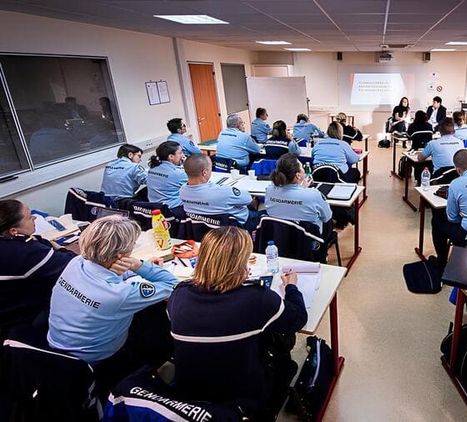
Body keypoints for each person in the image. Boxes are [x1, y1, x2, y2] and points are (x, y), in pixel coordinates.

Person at [168, 227, 307, 417]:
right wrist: (291, 287)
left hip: (189, 392)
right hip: (243, 395)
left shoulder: (178, 295)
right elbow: (298, 318)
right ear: (240, 262)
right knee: (282, 337)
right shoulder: (258, 299)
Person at [47, 216, 178, 391]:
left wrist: (127, 272)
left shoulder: (76, 263)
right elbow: (172, 284)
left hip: (57, 346)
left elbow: (107, 279)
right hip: (96, 360)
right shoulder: (119, 295)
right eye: (133, 244)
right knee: (156, 315)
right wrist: (139, 266)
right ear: (120, 255)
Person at [0, 200, 76, 335]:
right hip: (19, 322)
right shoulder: (25, 252)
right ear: (13, 231)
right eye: (29, 217)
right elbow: (73, 264)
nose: (34, 217)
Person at [179, 154, 263, 230]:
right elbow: (248, 199)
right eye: (210, 168)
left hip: (203, 229)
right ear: (204, 172)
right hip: (236, 227)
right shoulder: (223, 192)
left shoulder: (182, 191)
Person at [266, 153, 333, 236]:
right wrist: (304, 191)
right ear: (298, 175)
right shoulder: (313, 194)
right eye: (302, 167)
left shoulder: (270, 190)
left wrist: (302, 189)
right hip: (309, 242)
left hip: (279, 239)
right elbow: (327, 217)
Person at [146, 141, 187, 209]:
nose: (183, 155)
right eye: (180, 153)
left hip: (155, 208)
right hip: (174, 209)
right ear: (171, 156)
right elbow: (197, 182)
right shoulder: (178, 174)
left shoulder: (152, 169)